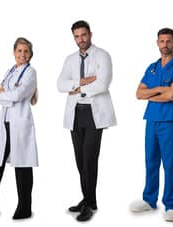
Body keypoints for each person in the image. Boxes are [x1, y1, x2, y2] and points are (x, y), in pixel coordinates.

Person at [0, 37, 39, 220]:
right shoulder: (11, 71)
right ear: (14, 52)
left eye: (26, 51)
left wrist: (4, 95)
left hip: (20, 124)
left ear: (30, 54)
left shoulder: (31, 72)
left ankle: (24, 209)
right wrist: (4, 95)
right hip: (4, 123)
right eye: (19, 51)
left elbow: (19, 94)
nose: (22, 54)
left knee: (23, 166)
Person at [57, 20, 114, 222]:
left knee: (90, 158)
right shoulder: (70, 59)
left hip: (93, 113)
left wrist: (77, 88)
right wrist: (82, 81)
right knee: (80, 159)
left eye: (83, 35)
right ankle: (88, 199)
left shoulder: (103, 55)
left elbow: (102, 83)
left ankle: (89, 204)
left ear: (90, 34)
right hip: (75, 113)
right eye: (77, 36)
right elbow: (60, 84)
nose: (81, 39)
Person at [131, 28, 173, 222]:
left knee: (170, 163)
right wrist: (158, 89)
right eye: (162, 41)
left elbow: (172, 95)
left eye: (169, 41)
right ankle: (149, 199)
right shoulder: (152, 67)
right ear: (157, 43)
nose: (165, 44)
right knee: (151, 161)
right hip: (151, 121)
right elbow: (138, 94)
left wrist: (153, 94)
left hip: (169, 122)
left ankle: (172, 205)